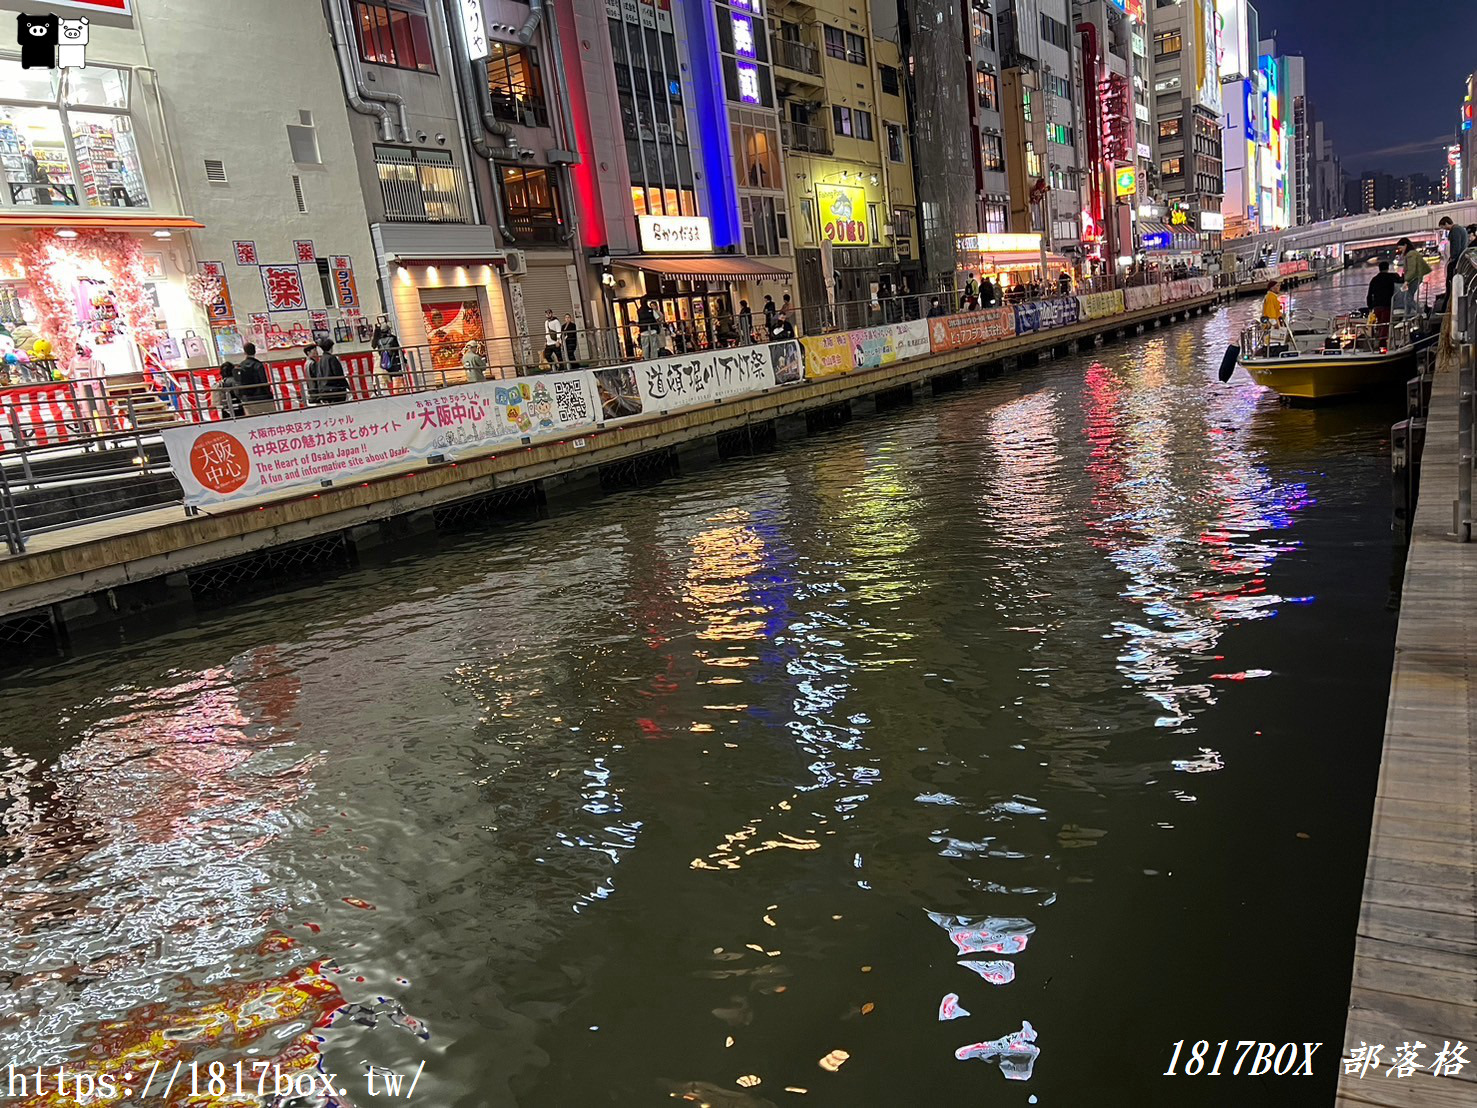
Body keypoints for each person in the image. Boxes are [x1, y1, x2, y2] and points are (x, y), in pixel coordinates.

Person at [235, 341, 274, 417]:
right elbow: (264, 381)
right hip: (262, 397)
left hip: (247, 398)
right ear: (255, 351)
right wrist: (269, 394)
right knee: (270, 417)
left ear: (244, 352)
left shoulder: (240, 366)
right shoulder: (258, 365)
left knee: (253, 420)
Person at [1397, 238, 1431, 319]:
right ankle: (1406, 317)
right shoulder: (1413, 253)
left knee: (1408, 298)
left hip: (1414, 279)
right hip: (1416, 278)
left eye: (1400, 247)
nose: (1400, 250)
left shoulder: (1410, 255)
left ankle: (1422, 312)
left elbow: (1411, 269)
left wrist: (1407, 281)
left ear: (1405, 245)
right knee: (1407, 299)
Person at [1366, 260, 1399, 343]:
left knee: (1379, 323)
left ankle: (1376, 340)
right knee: (1385, 324)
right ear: (1387, 268)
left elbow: (1369, 295)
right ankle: (1382, 342)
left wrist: (1370, 307)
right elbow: (1400, 282)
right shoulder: (1391, 277)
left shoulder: (1374, 279)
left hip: (1376, 306)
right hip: (1387, 305)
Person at [1440, 215, 1468, 306]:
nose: (1444, 229)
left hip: (1456, 260)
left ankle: (1447, 304)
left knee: (1449, 282)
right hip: (1460, 259)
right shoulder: (1460, 229)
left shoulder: (1455, 230)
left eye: (1443, 226)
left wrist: (1452, 257)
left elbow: (1456, 246)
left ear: (1447, 223)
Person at [310, 337, 348, 404]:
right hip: (335, 391)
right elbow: (338, 374)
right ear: (331, 347)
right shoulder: (332, 358)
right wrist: (347, 386)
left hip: (324, 391)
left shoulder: (320, 360)